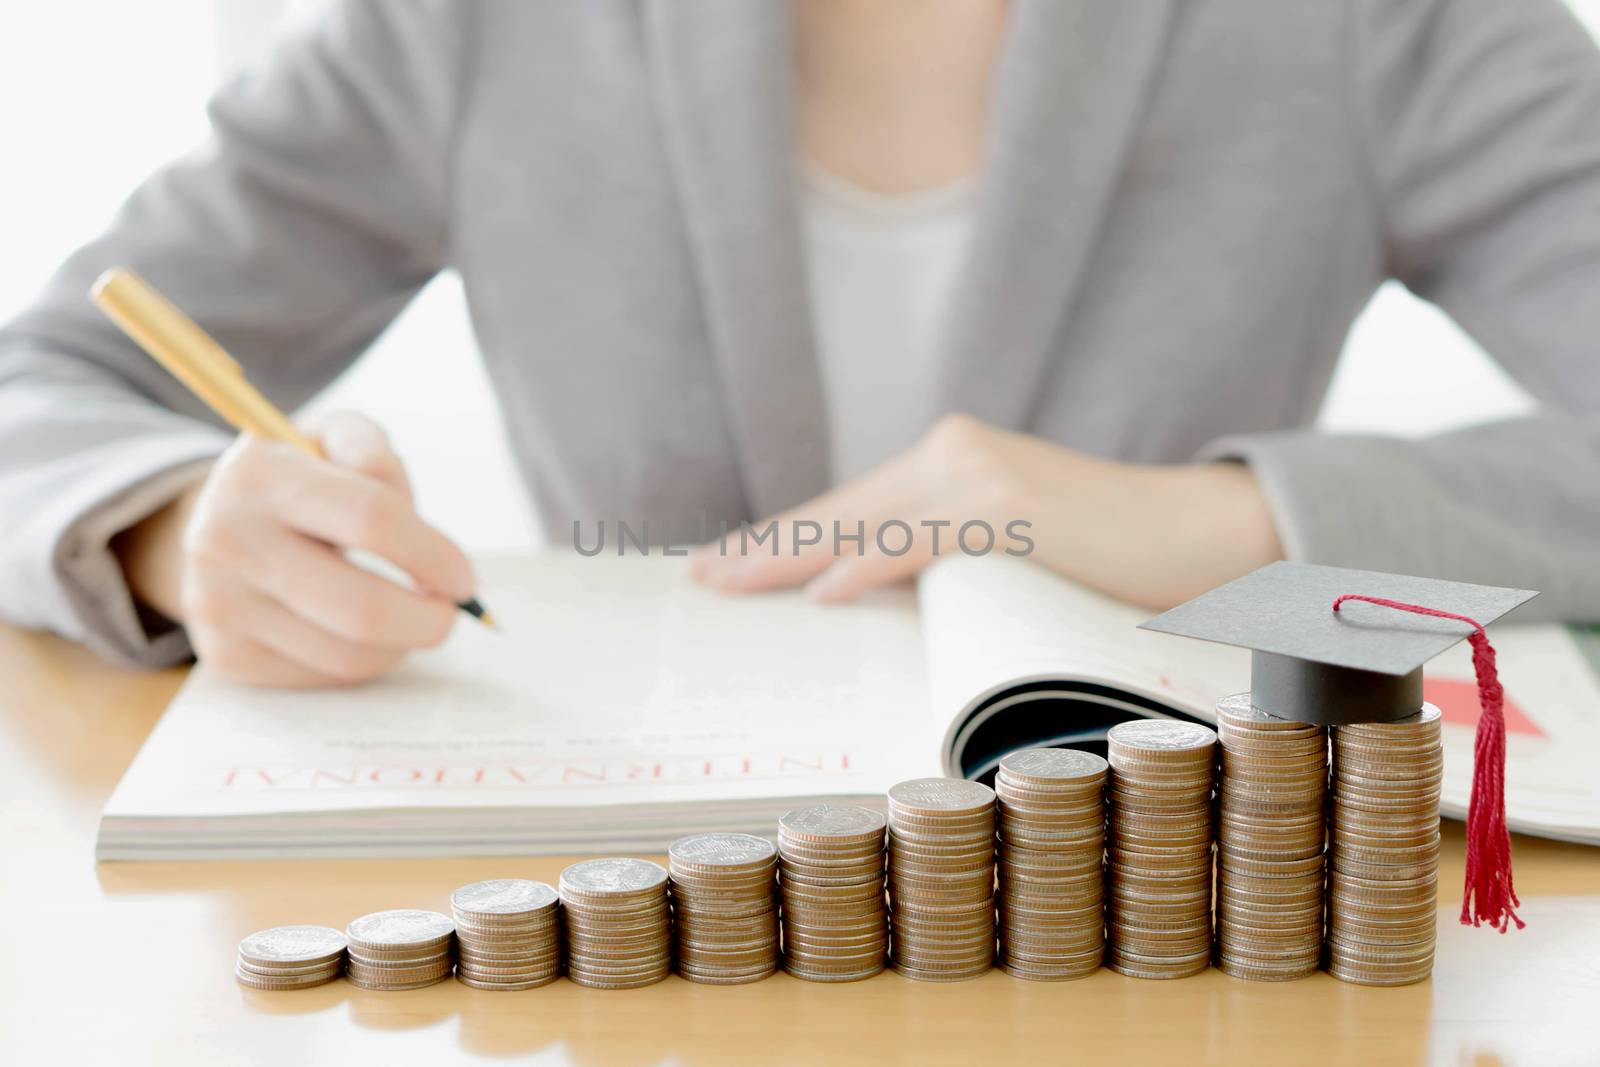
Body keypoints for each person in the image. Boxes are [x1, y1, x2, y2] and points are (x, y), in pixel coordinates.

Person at [1, 0, 1597, 688]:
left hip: (1173, 927)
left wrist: (1223, 522)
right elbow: (42, 387)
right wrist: (166, 531)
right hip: (638, 945)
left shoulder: (1382, 20)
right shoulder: (473, 23)